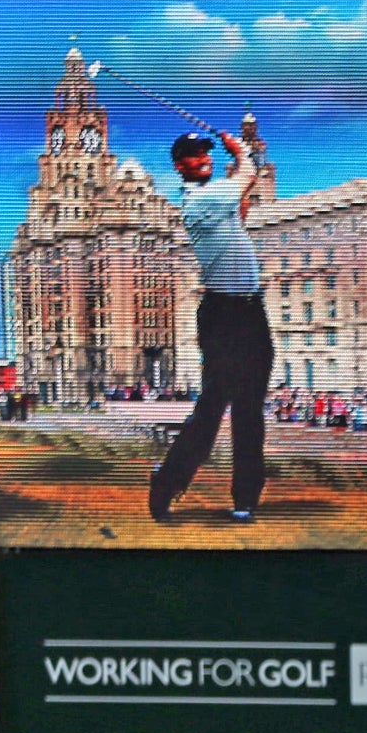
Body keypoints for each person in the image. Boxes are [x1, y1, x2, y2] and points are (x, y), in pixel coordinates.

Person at [150, 130, 271, 523]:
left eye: (205, 151)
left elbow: (241, 212)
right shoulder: (200, 198)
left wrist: (240, 165)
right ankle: (168, 482)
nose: (202, 157)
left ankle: (245, 499)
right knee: (212, 408)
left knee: (250, 411)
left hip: (252, 312)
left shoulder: (218, 198)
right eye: (192, 154)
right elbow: (247, 179)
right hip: (223, 315)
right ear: (179, 166)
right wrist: (242, 153)